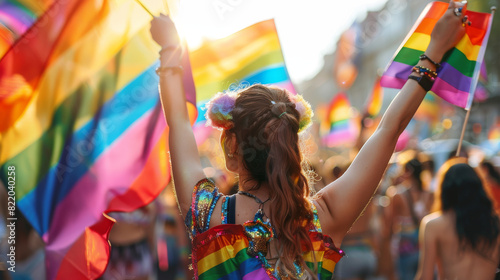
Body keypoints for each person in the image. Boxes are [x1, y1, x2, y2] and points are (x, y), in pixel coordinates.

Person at [149, 1, 466, 278]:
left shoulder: (207, 213)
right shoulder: (324, 217)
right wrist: (434, 51)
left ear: (230, 148)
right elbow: (388, 129)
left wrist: (170, 48)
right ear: (292, 149)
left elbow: (178, 123)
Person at [415, 158, 500, 280]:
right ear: (479, 187)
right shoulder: (496, 222)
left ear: (445, 188)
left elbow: (425, 276)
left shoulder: (433, 225)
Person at [386, 158, 434, 280]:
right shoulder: (430, 194)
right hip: (425, 242)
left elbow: (389, 225)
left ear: (407, 171)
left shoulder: (396, 194)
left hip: (405, 245)